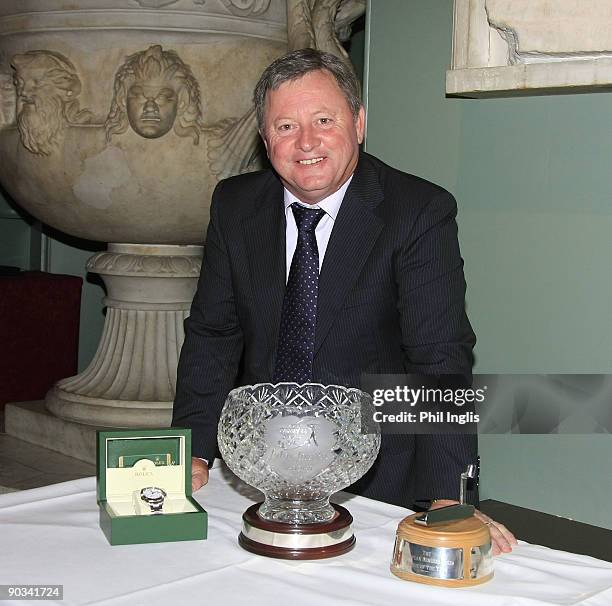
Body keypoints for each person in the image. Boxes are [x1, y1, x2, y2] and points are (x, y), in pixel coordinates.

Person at [172, 48, 517, 554]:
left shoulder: (418, 212)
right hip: (257, 474)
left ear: (358, 123)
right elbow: (213, 334)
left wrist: (448, 497)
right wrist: (194, 450)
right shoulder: (235, 205)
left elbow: (439, 358)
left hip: (376, 478)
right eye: (285, 126)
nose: (306, 142)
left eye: (324, 120)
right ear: (265, 140)